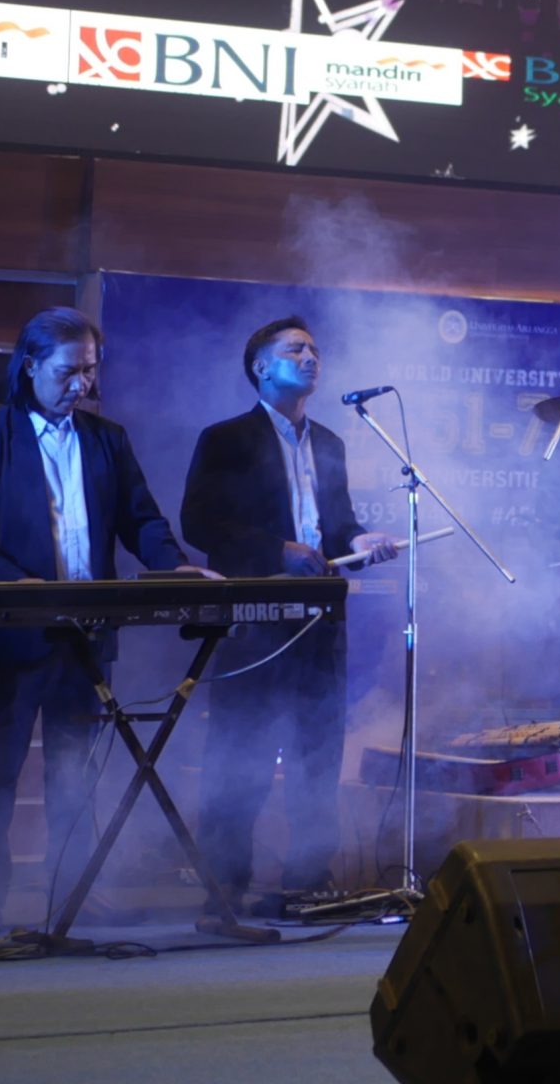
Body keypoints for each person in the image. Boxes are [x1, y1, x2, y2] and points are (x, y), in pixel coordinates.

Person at [0, 307, 199, 936]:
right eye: (68, 370)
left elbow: (143, 521)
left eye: (89, 369)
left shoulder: (108, 439)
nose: (81, 382)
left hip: (87, 636)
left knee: (76, 774)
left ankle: (74, 888)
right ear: (29, 366)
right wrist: (15, 584)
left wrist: (177, 568)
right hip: (14, 633)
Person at [181, 319, 397, 915]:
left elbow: (338, 527)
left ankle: (308, 879)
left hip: (320, 620)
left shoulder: (329, 442)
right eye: (293, 349)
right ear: (259, 366)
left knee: (317, 755)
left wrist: (363, 537)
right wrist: (277, 551)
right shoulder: (225, 439)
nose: (309, 358)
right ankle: (225, 883)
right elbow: (200, 525)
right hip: (255, 619)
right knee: (240, 752)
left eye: (314, 350)